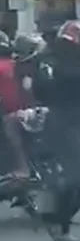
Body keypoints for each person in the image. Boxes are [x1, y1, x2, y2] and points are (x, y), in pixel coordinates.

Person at [28, 20, 80, 241]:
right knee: (74, 174)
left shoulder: (75, 61)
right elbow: (42, 88)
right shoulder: (56, 61)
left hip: (77, 117)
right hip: (62, 118)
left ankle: (60, 223)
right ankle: (59, 226)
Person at [0, 31, 30, 181]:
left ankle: (21, 167)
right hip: (24, 110)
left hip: (9, 113)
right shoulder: (16, 65)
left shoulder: (4, 67)